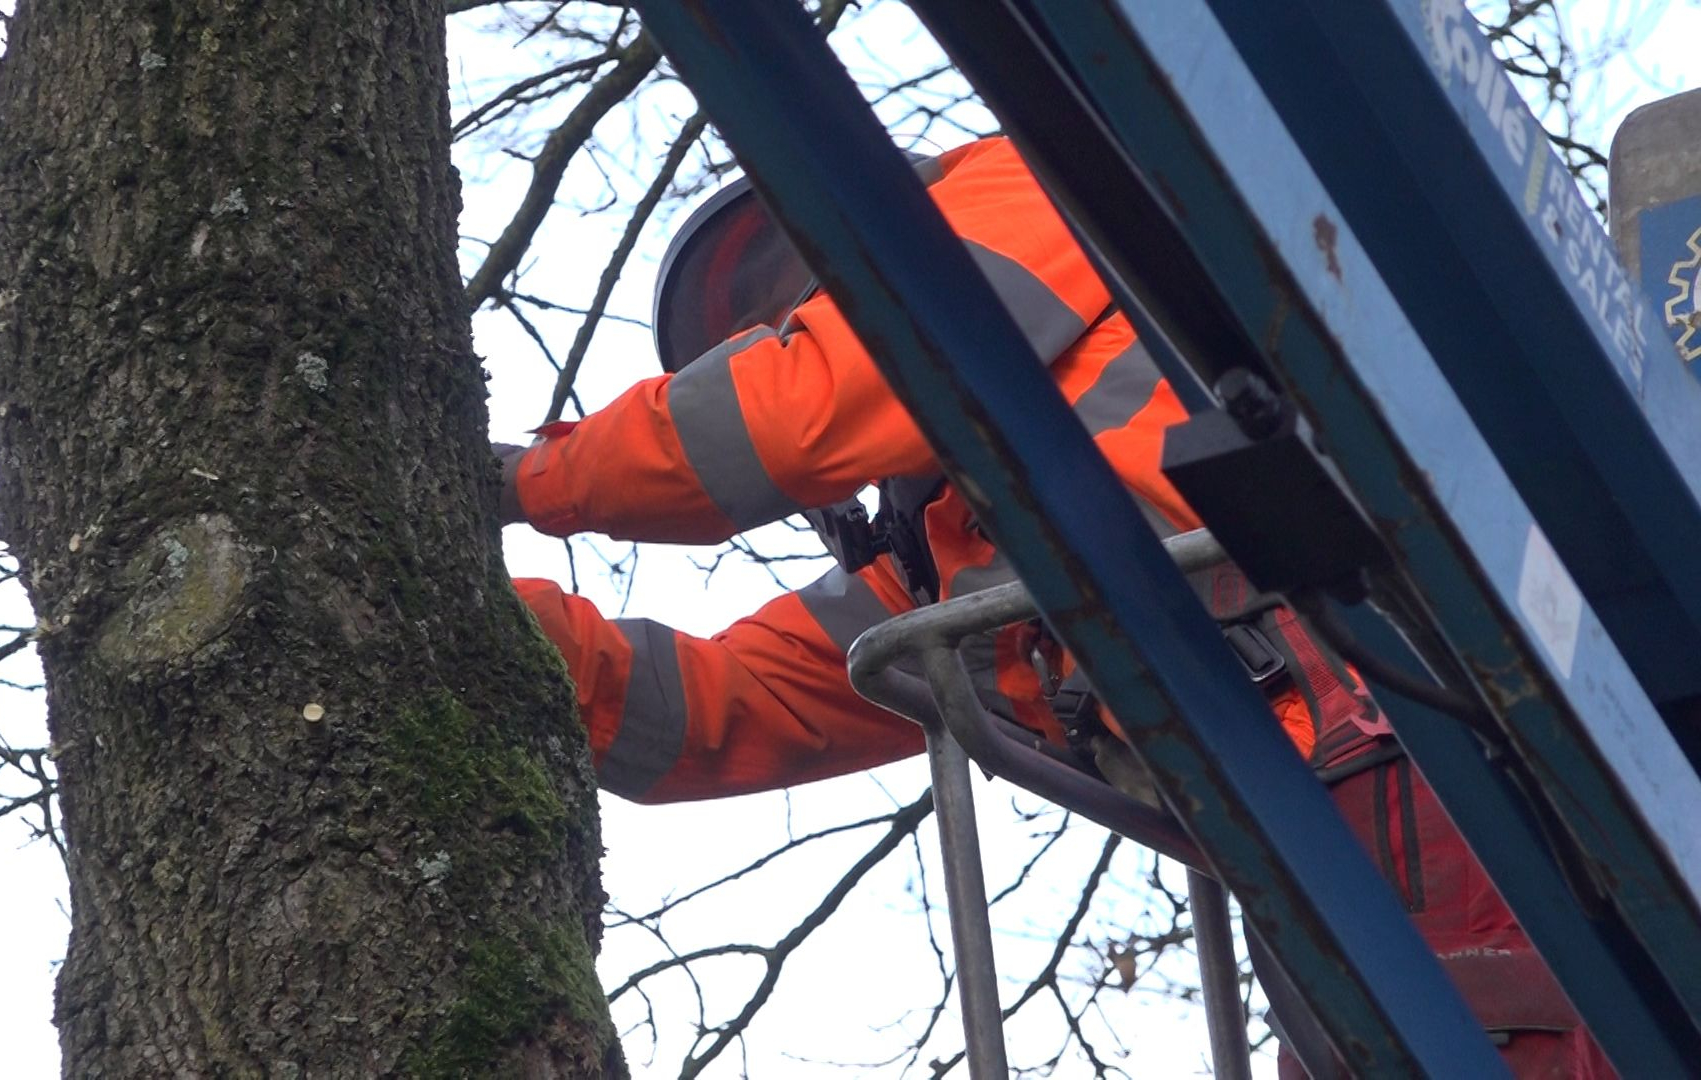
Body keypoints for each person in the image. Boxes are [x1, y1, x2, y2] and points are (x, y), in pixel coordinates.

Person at [496, 135, 1612, 1077]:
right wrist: (474, 605)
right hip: (1304, 839)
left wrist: (520, 479)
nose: (787, 320)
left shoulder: (1025, 192)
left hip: (1413, 713)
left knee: (1511, 1032)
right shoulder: (946, 574)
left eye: (792, 297)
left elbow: (808, 408)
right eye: (747, 332)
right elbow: (706, 710)